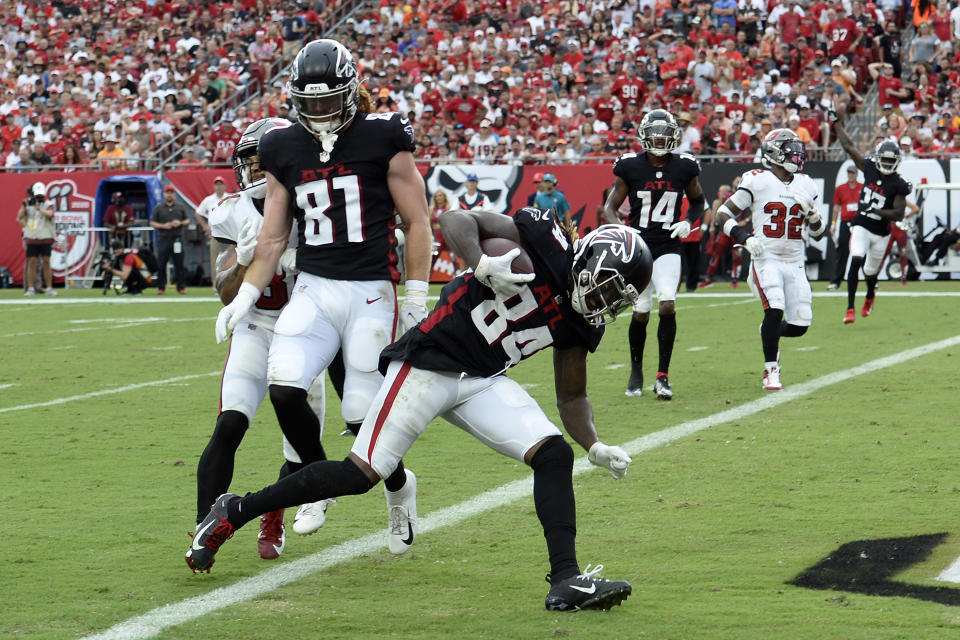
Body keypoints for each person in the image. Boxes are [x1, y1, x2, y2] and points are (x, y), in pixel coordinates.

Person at [189, 208, 652, 612]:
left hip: (482, 379)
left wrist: (593, 444)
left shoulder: (581, 322)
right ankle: (236, 508)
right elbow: (454, 220)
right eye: (607, 290)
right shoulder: (541, 238)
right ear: (589, 261)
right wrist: (481, 261)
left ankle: (566, 580)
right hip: (429, 363)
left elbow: (571, 396)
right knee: (359, 474)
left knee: (554, 454)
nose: (605, 305)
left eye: (617, 301)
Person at [212, 39, 432, 552]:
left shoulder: (383, 136)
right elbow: (270, 239)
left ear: (351, 91)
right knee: (284, 384)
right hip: (314, 285)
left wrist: (416, 295)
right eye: (309, 103)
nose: (319, 112)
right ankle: (315, 481)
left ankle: (400, 490)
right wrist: (244, 297)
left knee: (361, 418)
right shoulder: (284, 146)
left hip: (370, 289)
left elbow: (419, 221)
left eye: (328, 100)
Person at [190, 118, 333, 565]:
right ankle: (203, 529)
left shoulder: (313, 206)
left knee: (298, 446)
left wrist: (301, 259)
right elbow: (224, 289)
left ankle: (273, 510)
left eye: (266, 163)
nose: (258, 172)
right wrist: (245, 260)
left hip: (305, 332)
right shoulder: (231, 211)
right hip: (253, 326)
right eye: (252, 163)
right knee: (230, 424)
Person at [602, 109, 706, 400]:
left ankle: (663, 376)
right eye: (655, 136)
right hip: (639, 246)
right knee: (641, 310)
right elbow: (610, 208)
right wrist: (623, 230)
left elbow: (699, 200)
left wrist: (689, 221)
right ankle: (636, 371)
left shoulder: (684, 166)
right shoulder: (629, 167)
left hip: (669, 243)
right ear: (644, 136)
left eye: (665, 136)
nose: (660, 141)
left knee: (668, 304)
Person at [713, 129, 826, 391]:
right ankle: (771, 370)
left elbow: (819, 234)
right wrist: (744, 237)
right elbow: (722, 214)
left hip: (795, 260)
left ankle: (769, 331)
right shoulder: (757, 180)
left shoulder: (806, 184)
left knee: (800, 326)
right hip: (766, 256)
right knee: (774, 307)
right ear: (774, 152)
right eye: (790, 149)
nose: (796, 154)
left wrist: (812, 215)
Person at [828, 110, 911, 324]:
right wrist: (837, 122)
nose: (886, 163)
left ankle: (870, 294)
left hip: (881, 231)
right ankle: (849, 309)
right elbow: (848, 146)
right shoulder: (871, 168)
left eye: (890, 160)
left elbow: (899, 213)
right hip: (861, 224)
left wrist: (877, 211)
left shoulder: (899, 184)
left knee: (871, 272)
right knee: (856, 259)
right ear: (878, 157)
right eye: (884, 159)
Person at [16, 182, 56, 296]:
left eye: (40, 196)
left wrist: (38, 208)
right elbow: (19, 217)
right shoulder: (28, 204)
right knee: (32, 262)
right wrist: (25, 206)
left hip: (45, 236)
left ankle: (49, 288)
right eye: (37, 196)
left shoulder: (49, 204)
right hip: (32, 237)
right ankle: (31, 288)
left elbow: (50, 214)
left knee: (46, 262)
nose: (38, 198)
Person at [150, 185, 190, 294]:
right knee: (161, 264)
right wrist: (164, 226)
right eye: (167, 192)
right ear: (164, 194)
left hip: (177, 239)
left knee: (179, 264)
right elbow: (152, 223)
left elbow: (187, 221)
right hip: (164, 238)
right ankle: (161, 288)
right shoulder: (158, 208)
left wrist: (180, 223)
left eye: (171, 192)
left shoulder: (180, 207)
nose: (169, 194)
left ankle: (181, 287)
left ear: (174, 194)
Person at [828, 165, 862, 290]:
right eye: (849, 173)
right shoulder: (840, 189)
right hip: (845, 223)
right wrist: (833, 224)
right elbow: (836, 208)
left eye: (853, 173)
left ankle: (872, 280)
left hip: (858, 223)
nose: (851, 175)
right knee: (842, 251)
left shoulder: (862, 188)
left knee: (862, 251)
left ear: (857, 174)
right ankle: (836, 281)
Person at [195, 176, 229, 292]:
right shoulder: (209, 200)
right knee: (215, 259)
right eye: (217, 184)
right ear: (214, 186)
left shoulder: (230, 198)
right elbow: (198, 213)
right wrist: (205, 227)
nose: (219, 186)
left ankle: (229, 283)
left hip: (228, 233)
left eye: (221, 184)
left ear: (224, 186)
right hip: (215, 233)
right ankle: (215, 284)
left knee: (230, 258)